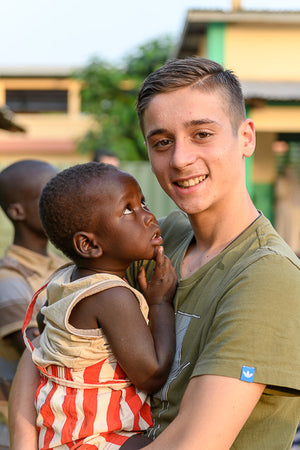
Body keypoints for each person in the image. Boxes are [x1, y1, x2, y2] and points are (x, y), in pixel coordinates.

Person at [9, 57, 300, 450]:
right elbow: (46, 337)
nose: (180, 159)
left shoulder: (267, 277)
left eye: (201, 134)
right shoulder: (157, 239)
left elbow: (193, 442)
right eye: (162, 142)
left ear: (246, 137)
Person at [22, 162, 177, 449]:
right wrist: (160, 302)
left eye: (143, 203)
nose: (148, 216)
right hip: (91, 438)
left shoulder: (66, 279)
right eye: (128, 210)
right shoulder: (110, 295)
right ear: (89, 245)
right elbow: (152, 375)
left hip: (63, 433)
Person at [0, 159, 64, 445]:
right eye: (47, 196)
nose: (61, 202)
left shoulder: (64, 265)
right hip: (20, 431)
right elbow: (38, 350)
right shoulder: (7, 277)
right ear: (17, 211)